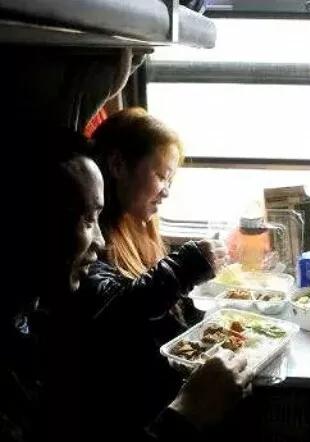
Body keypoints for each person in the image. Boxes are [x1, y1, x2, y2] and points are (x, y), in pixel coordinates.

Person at [0, 128, 250, 442]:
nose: (99, 240)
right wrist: (186, 413)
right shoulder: (9, 372)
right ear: (33, 223)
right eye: (87, 220)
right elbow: (122, 305)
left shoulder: (31, 322)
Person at [77, 108, 229, 428]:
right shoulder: (89, 242)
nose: (167, 191)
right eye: (161, 175)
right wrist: (186, 266)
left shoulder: (138, 227)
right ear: (118, 165)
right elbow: (119, 309)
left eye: (170, 180)